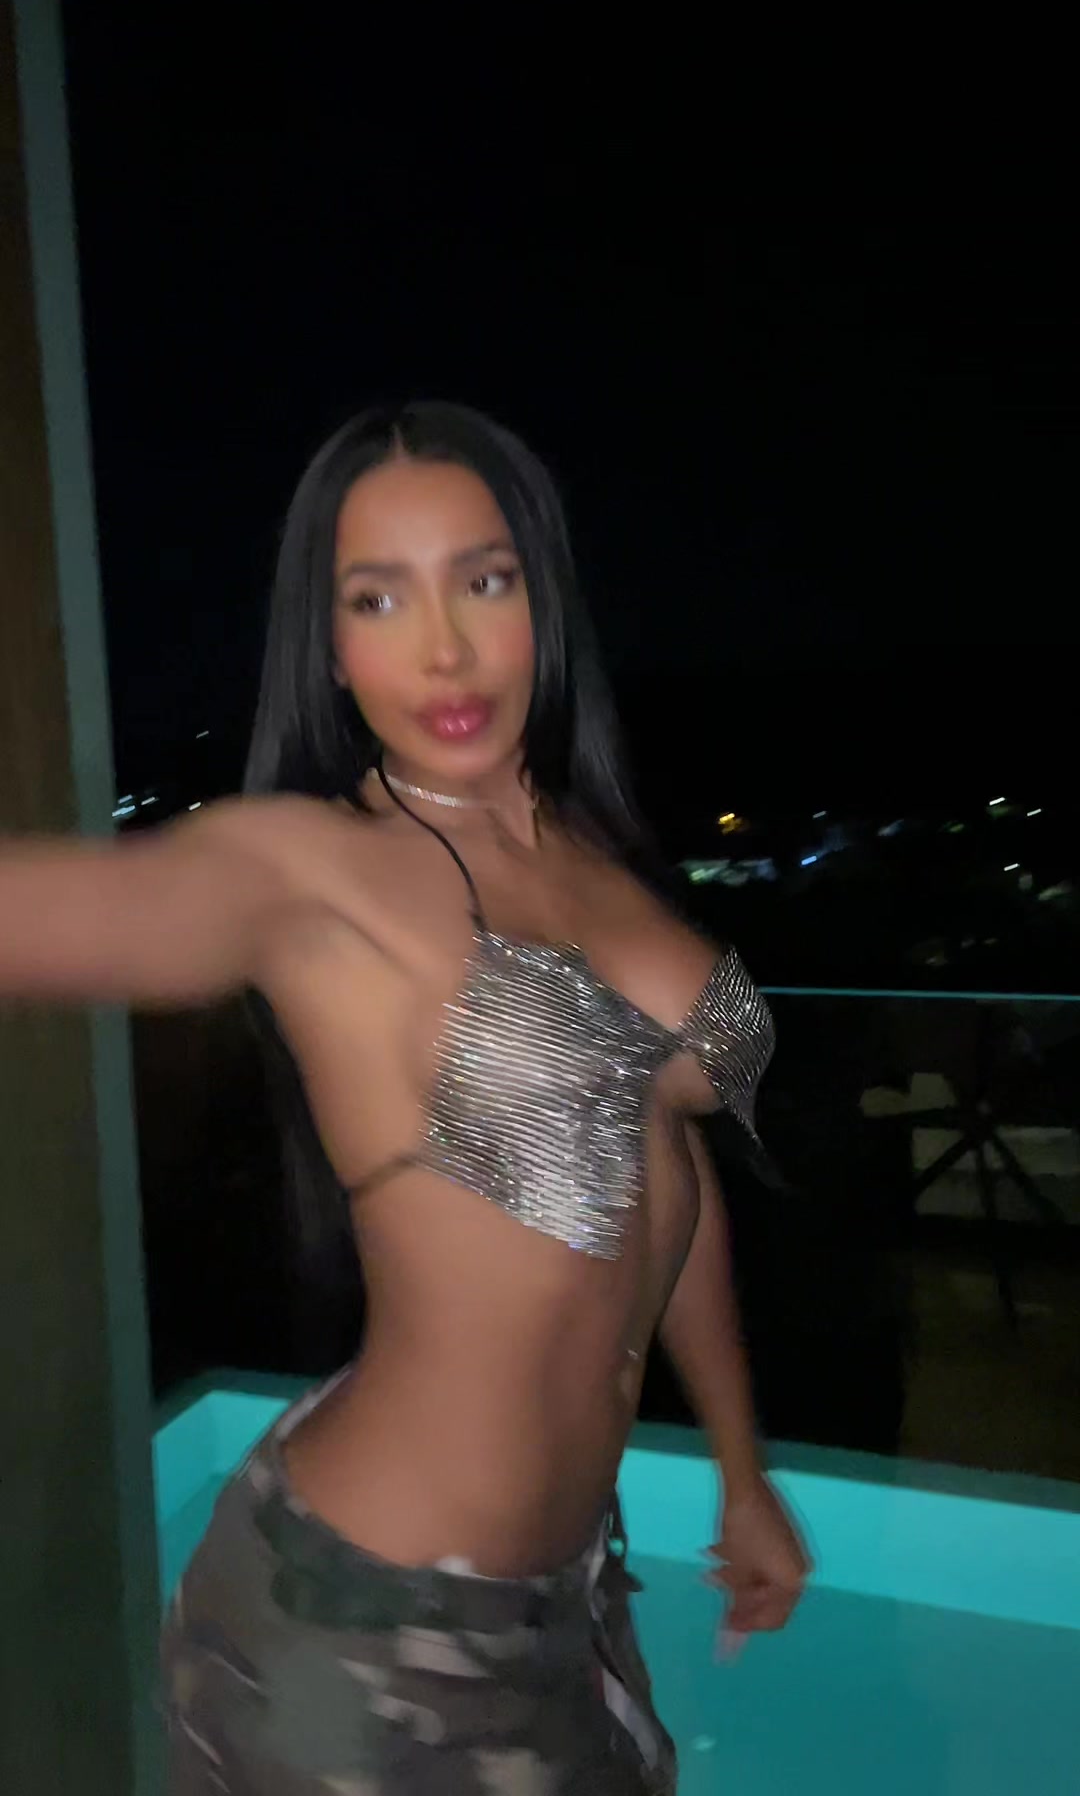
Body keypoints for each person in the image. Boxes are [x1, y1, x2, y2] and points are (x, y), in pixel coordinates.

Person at [0, 402, 808, 1792]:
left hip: (566, 1592)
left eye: (482, 581)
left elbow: (667, 1185)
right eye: (379, 599)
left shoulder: (597, 853)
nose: (444, 648)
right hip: (355, 1638)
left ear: (542, 597)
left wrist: (742, 1470)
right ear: (329, 647)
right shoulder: (315, 875)